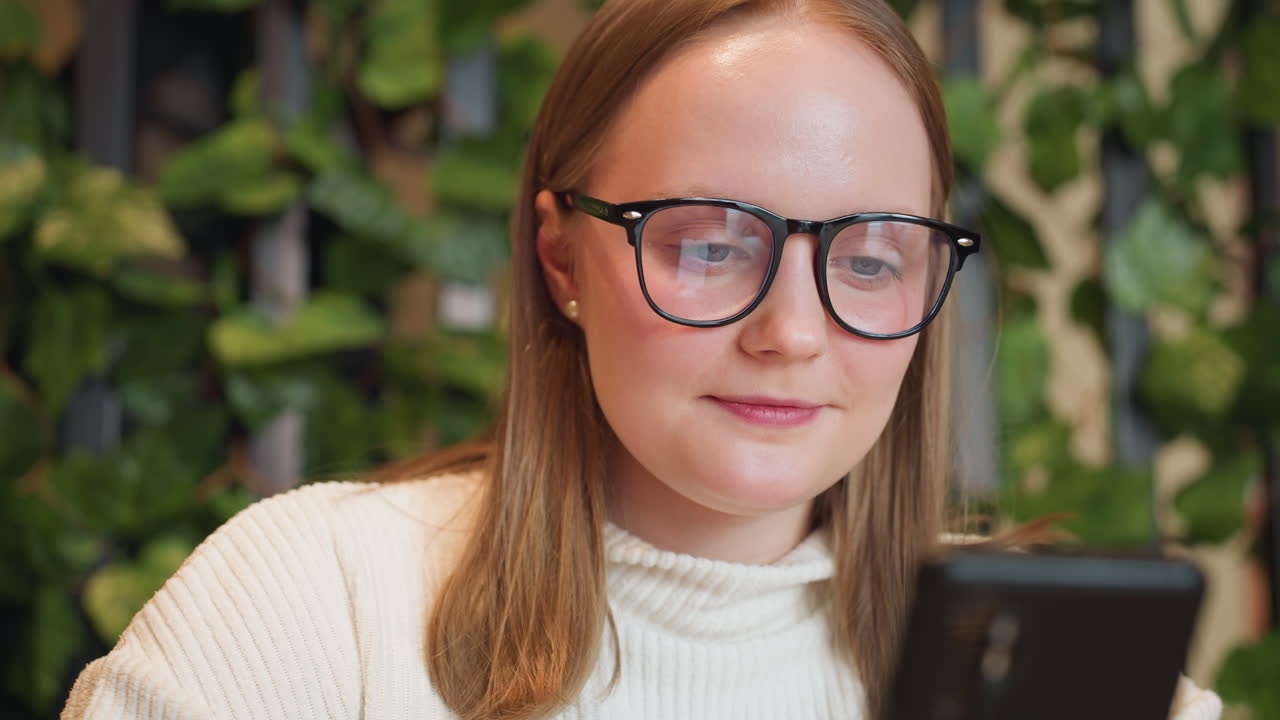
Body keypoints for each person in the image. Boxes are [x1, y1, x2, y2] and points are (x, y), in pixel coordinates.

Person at [61, 0, 1224, 718]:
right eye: (713, 245)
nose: (791, 333)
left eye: (870, 259)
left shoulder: (1061, 677)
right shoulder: (313, 605)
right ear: (561, 259)